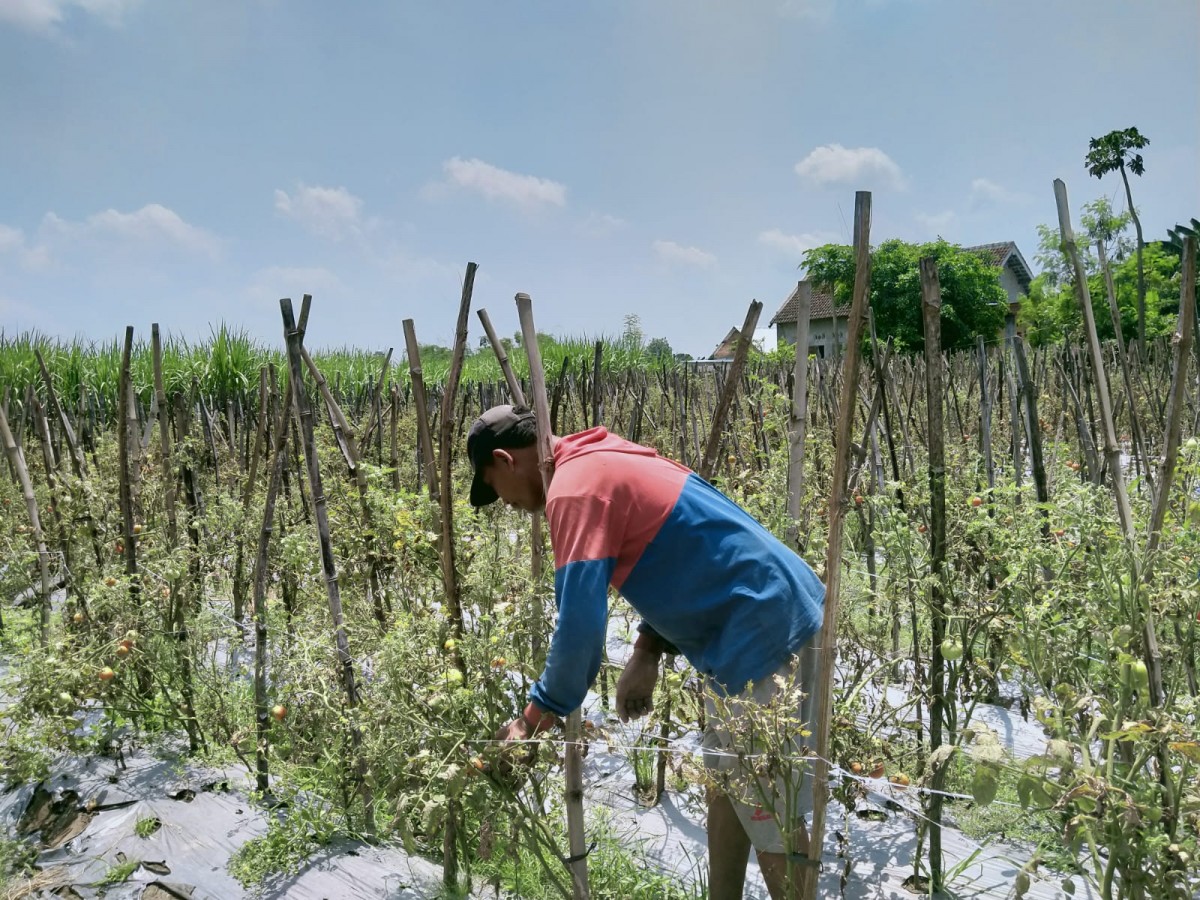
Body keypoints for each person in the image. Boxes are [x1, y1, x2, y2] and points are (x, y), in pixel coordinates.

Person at [467, 404, 826, 900]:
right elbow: (682, 547)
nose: (504, 502)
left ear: (506, 460)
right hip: (759, 612)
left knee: (768, 809)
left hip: (759, 629)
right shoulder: (600, 456)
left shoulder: (573, 489)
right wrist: (646, 649)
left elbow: (579, 630)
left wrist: (531, 721)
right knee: (728, 789)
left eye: (494, 488)